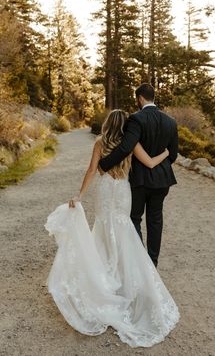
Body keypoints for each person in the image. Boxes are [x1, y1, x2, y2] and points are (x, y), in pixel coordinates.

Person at [45, 109, 179, 348]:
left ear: (107, 124)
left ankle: (105, 279)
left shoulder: (100, 142)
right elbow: (148, 162)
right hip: (122, 191)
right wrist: (167, 152)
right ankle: (127, 280)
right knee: (124, 229)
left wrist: (80, 194)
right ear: (125, 126)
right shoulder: (130, 143)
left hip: (106, 191)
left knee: (104, 229)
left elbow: (91, 171)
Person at [99, 83, 178, 267]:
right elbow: (172, 154)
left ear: (140, 98)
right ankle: (152, 261)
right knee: (155, 219)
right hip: (162, 180)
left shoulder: (136, 119)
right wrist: (159, 169)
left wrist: (104, 164)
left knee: (134, 218)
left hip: (140, 181)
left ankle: (141, 263)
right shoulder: (171, 122)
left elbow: (126, 147)